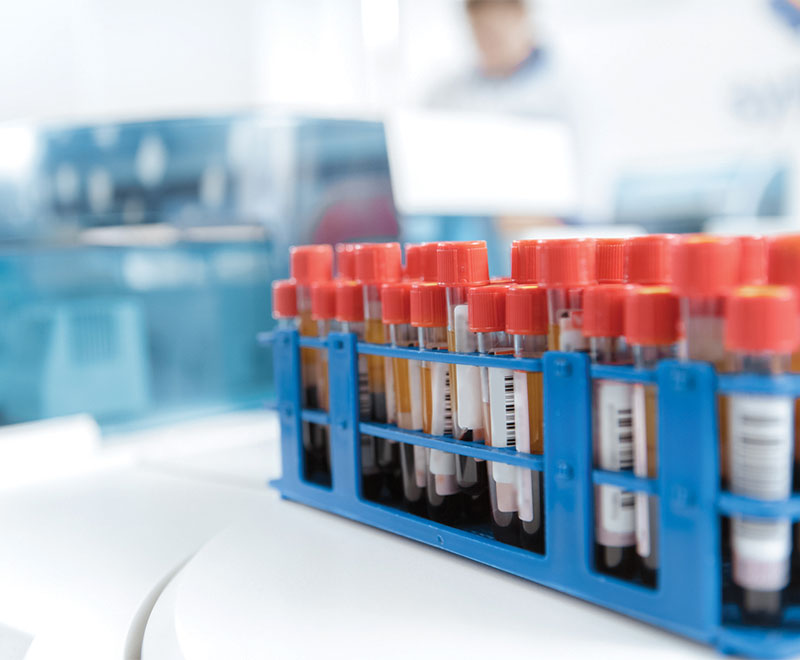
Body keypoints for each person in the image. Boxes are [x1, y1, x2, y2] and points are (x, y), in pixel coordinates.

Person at [427, 0, 568, 119]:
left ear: (522, 19)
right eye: (479, 32)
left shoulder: (567, 94)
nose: (487, 45)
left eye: (496, 35)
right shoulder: (446, 95)